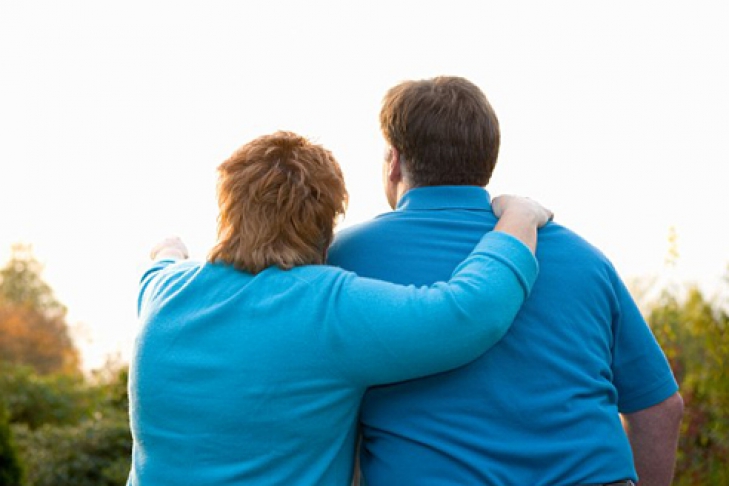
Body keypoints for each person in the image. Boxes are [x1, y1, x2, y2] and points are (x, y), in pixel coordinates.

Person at [126, 130, 552, 485]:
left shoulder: (163, 292)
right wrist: (519, 218)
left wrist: (169, 250)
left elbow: (161, 264)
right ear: (326, 225)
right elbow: (468, 313)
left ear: (227, 210)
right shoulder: (327, 307)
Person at [328, 76, 684, 486]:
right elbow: (661, 409)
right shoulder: (583, 258)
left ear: (394, 160)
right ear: (487, 159)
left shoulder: (344, 259)